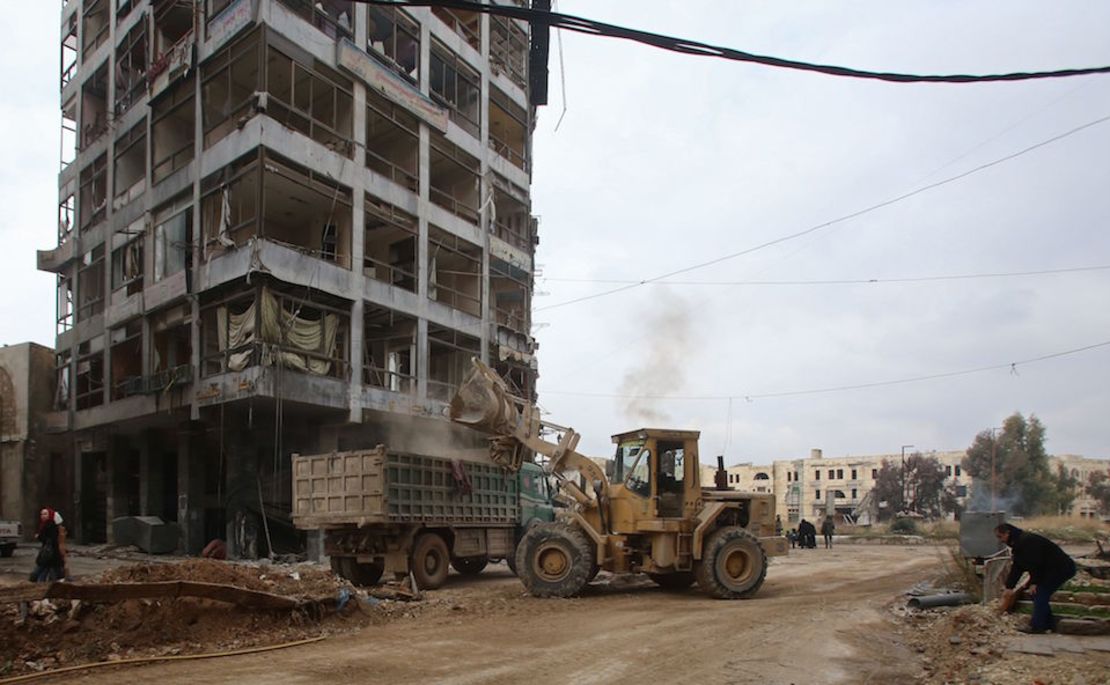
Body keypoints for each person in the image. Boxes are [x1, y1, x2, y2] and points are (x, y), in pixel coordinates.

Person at [996, 522, 1077, 633]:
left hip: (1060, 569)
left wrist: (1035, 582)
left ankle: (1037, 627)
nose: (1000, 540)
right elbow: (1018, 567)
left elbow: (1036, 563)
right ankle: (1049, 624)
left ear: (1008, 533)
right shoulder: (1019, 544)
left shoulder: (1027, 541)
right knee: (1037, 594)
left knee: (1040, 592)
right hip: (1050, 570)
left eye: (1000, 536)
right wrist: (1009, 587)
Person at [29, 508, 67, 582]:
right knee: (47, 571)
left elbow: (49, 539)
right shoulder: (47, 525)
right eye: (41, 514)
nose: (43, 516)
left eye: (45, 514)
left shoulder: (49, 525)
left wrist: (39, 536)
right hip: (51, 553)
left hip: (50, 553)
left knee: (43, 570)